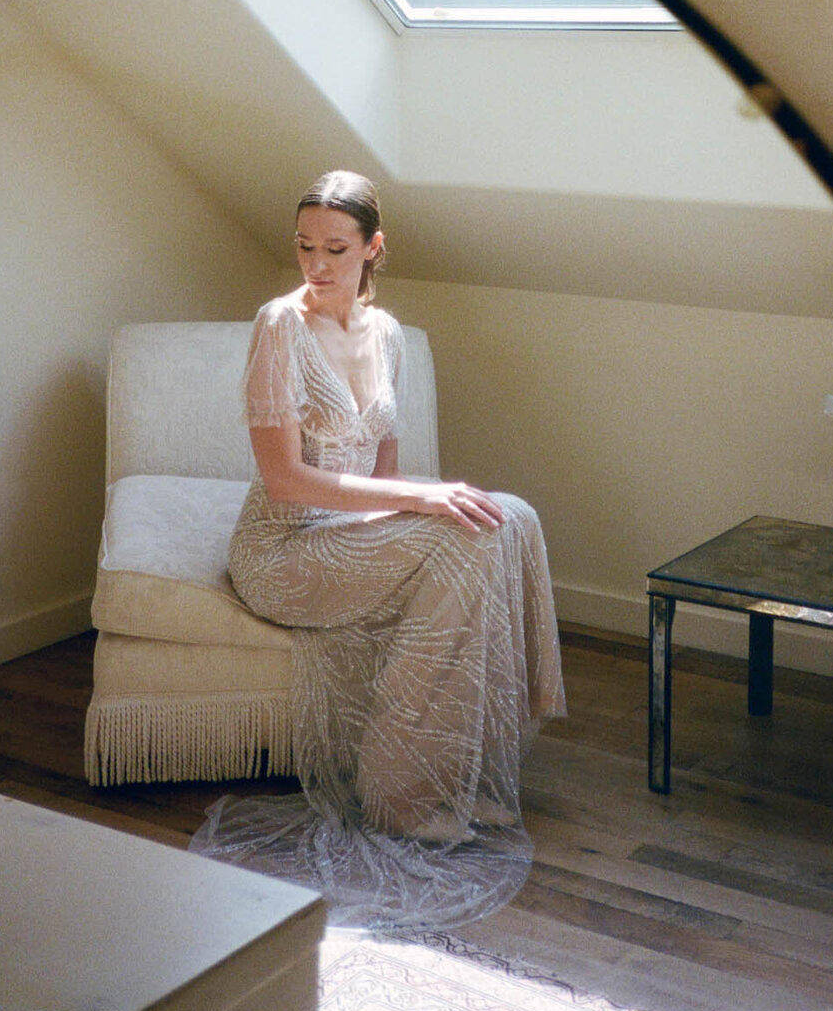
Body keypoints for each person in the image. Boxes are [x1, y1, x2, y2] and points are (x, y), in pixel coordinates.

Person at [189, 170, 565, 931]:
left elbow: (383, 474)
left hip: (349, 533)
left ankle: (482, 757)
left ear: (373, 248)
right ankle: (405, 800)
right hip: (282, 550)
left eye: (335, 248)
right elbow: (287, 481)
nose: (316, 265)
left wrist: (409, 517)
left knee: (509, 517)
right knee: (456, 533)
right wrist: (420, 505)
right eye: (304, 246)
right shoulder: (278, 325)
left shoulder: (386, 334)